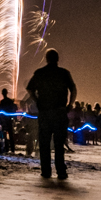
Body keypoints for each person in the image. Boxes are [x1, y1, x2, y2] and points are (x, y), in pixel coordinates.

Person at [25, 49, 75, 181]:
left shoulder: (40, 73)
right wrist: (70, 104)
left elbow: (29, 89)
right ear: (57, 59)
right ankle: (60, 170)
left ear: (46, 59)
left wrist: (37, 100)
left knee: (44, 143)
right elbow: (73, 89)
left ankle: (46, 170)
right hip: (59, 111)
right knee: (59, 143)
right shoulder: (64, 73)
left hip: (45, 112)